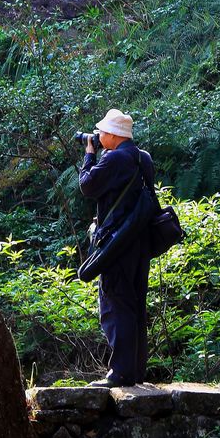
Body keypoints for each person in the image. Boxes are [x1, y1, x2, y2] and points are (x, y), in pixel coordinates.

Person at [79, 108, 154, 388]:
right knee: (135, 303)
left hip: (117, 244)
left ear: (112, 135)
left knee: (115, 303)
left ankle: (120, 373)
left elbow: (87, 186)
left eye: (101, 133)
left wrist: (89, 154)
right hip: (140, 242)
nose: (98, 137)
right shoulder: (142, 157)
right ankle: (134, 370)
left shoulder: (114, 159)